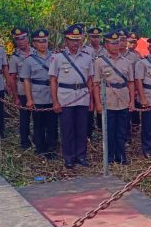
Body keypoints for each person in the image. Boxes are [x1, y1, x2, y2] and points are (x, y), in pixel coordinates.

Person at [49, 24, 94, 168]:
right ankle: (68, 157)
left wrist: (91, 100)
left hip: (82, 97)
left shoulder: (87, 58)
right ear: (66, 40)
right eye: (72, 40)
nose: (75, 43)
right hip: (65, 98)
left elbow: (90, 81)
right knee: (67, 130)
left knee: (82, 129)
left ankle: (81, 156)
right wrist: (55, 101)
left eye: (78, 40)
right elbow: (53, 80)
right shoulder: (57, 58)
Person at [93, 30, 135, 165]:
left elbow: (131, 83)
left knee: (122, 130)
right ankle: (109, 157)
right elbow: (96, 84)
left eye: (117, 43)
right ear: (106, 45)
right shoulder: (99, 62)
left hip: (123, 98)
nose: (115, 46)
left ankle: (121, 156)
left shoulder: (127, 62)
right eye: (112, 43)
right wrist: (98, 104)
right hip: (108, 99)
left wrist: (132, 100)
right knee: (109, 130)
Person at [22, 29, 57, 159]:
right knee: (39, 124)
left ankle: (51, 148)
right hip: (37, 95)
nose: (43, 44)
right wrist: (29, 99)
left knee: (52, 124)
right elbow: (26, 80)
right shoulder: (29, 60)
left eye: (45, 41)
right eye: (39, 42)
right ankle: (40, 148)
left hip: (52, 95)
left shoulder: (55, 57)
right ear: (34, 44)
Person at [8, 27, 33, 150]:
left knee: (40, 117)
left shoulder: (36, 52)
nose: (20, 41)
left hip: (38, 90)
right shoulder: (14, 58)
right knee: (24, 118)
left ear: (27, 38)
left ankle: (38, 139)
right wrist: (15, 97)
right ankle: (25, 142)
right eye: (17, 39)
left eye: (22, 38)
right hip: (23, 90)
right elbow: (12, 78)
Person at [126, 32, 143, 128]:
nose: (132, 45)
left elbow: (138, 74)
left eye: (134, 43)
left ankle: (134, 127)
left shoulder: (137, 56)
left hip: (133, 87)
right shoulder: (120, 53)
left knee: (134, 109)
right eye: (130, 42)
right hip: (122, 87)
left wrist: (136, 89)